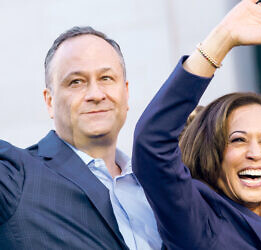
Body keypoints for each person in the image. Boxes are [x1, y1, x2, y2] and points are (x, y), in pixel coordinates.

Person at [133, 0, 261, 249]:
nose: (255, 153)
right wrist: (221, 40)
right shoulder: (198, 218)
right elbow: (151, 143)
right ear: (210, 153)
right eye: (238, 139)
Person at [0, 27, 161, 249]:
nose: (95, 94)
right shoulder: (15, 176)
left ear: (126, 93)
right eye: (76, 82)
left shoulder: (157, 185)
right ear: (50, 102)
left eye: (106, 78)